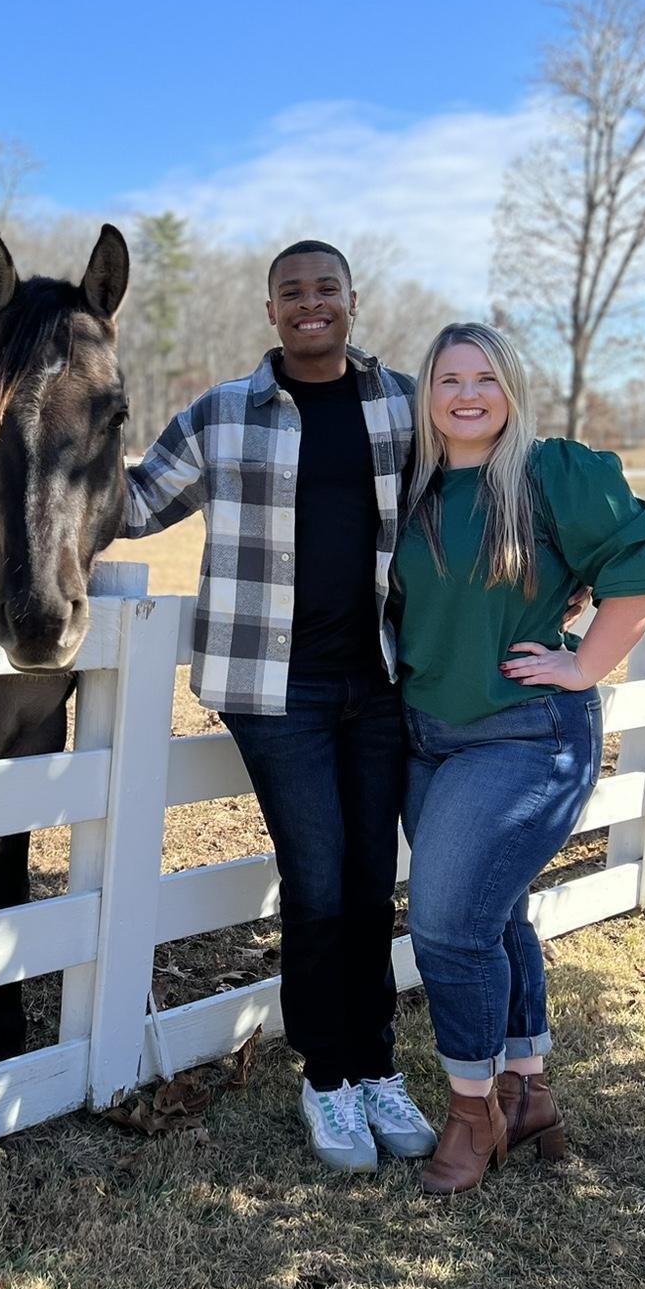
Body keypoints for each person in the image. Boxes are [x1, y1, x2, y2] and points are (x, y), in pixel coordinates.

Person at [123, 240, 437, 1171]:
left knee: (373, 881)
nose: (310, 303)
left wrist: (570, 564)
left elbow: (479, 490)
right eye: (291, 292)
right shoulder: (222, 414)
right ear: (270, 310)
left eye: (325, 288)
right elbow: (133, 506)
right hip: (276, 692)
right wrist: (49, 448)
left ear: (352, 300)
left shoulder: (404, 404)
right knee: (319, 881)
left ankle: (377, 1065)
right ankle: (326, 1078)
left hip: (380, 682)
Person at [392, 321, 645, 1195]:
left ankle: (471, 1112)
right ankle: (528, 1092)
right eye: (449, 379)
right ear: (426, 394)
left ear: (512, 389)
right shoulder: (410, 485)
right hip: (425, 736)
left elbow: (644, 567)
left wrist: (583, 664)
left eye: (486, 378)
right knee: (497, 915)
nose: (467, 394)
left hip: (525, 733)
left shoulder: (550, 473)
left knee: (447, 925)